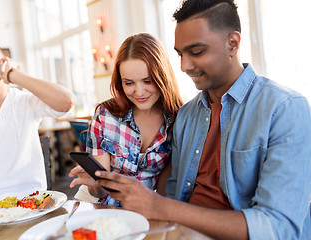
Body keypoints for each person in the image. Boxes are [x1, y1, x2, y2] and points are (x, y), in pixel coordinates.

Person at [93, 1, 311, 239]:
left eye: (196, 52)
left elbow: (278, 227)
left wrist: (158, 205)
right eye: (180, 54)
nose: (184, 66)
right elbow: (174, 194)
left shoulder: (284, 109)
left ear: (233, 43)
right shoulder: (186, 115)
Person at [0, 37, 76, 198]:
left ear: (4, 61)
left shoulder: (26, 102)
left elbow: (66, 102)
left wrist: (13, 75)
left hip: (32, 203)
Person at [69, 33, 183, 206]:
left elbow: (165, 191)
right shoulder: (105, 115)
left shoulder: (177, 121)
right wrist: (95, 184)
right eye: (129, 83)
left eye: (147, 81)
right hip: (96, 203)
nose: (139, 92)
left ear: (162, 77)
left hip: (143, 209)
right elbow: (99, 190)